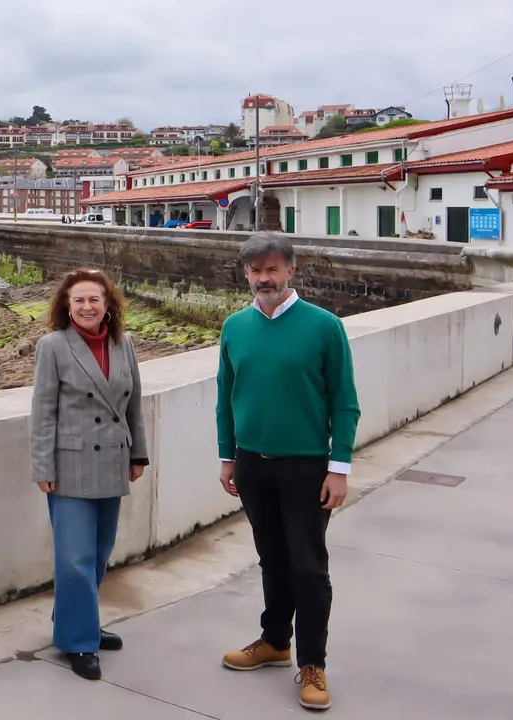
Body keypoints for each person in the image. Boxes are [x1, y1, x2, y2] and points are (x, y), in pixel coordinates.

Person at [215, 233, 360, 711]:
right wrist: (227, 456)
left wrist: (338, 468)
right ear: (246, 275)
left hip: (306, 467)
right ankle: (275, 640)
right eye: (255, 270)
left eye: (272, 269)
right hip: (253, 464)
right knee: (271, 558)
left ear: (291, 271)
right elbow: (225, 398)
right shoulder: (235, 327)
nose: (264, 278)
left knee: (308, 567)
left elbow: (344, 402)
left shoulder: (323, 327)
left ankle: (312, 663)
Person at [29, 268, 149, 681]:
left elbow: (134, 404)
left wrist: (139, 455)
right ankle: (79, 642)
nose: (86, 306)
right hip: (69, 466)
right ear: (66, 305)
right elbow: (42, 412)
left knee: (96, 555)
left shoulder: (124, 344)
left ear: (107, 305)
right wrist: (42, 465)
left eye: (94, 299)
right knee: (74, 558)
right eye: (78, 300)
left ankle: (82, 621)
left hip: (113, 461)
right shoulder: (53, 346)